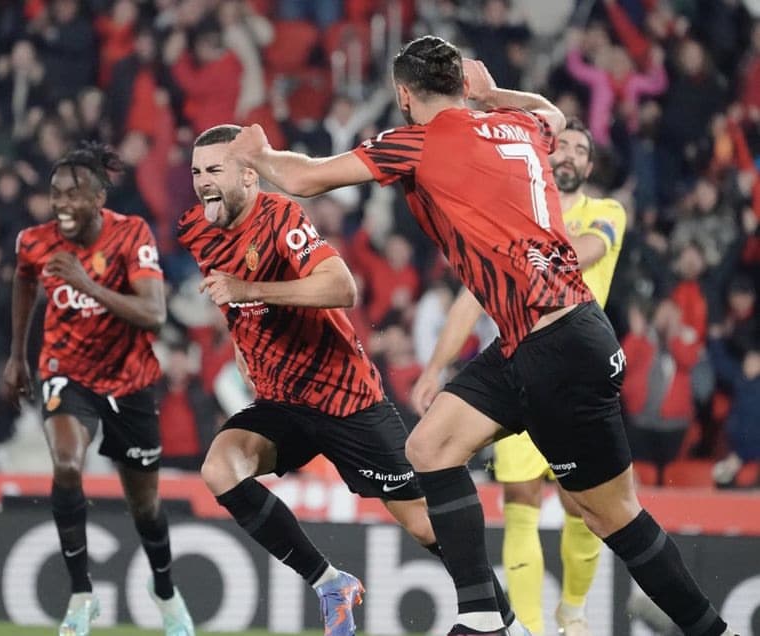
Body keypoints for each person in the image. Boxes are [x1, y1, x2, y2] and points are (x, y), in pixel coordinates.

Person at [226, 35, 736, 636]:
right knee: (430, 448)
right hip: (541, 340)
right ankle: (485, 619)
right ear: (464, 86)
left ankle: (710, 631)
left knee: (613, 517)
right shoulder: (518, 125)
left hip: (557, 346)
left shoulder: (415, 140)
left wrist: (256, 152)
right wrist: (495, 94)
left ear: (403, 95)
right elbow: (548, 112)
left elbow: (304, 179)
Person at [177, 124, 528, 636]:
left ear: (250, 176)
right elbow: (230, 298)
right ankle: (328, 583)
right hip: (281, 400)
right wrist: (241, 343)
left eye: (215, 170)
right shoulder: (198, 229)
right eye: (196, 171)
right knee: (221, 468)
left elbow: (341, 288)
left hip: (346, 400)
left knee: (426, 525)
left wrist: (248, 287)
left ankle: (508, 625)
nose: (203, 181)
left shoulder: (280, 217)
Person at [410, 119, 627, 635]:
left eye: (580, 149)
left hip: (579, 372)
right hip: (518, 367)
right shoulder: (519, 213)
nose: (569, 155)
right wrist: (435, 367)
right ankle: (527, 627)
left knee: (585, 509)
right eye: (562, 147)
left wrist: (526, 244)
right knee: (520, 498)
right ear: (544, 159)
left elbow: (589, 252)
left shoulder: (607, 212)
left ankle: (572, 611)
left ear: (590, 167)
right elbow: (470, 297)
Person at [3, 142, 194, 636]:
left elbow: (153, 313)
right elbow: (24, 282)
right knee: (67, 463)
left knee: (145, 508)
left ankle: (166, 592)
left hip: (130, 381)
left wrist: (87, 284)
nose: (62, 203)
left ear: (99, 196)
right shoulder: (35, 241)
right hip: (66, 370)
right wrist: (16, 355)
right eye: (55, 193)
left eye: (74, 193)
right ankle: (81, 595)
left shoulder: (131, 234)